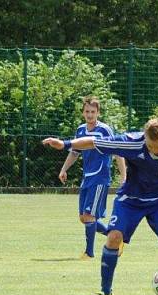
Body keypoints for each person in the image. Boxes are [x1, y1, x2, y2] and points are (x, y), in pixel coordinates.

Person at [43, 118, 158, 295]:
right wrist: (65, 144)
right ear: (144, 137)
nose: (154, 150)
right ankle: (105, 293)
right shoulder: (131, 142)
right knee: (113, 238)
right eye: (150, 146)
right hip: (130, 200)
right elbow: (93, 142)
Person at [58, 96, 126, 260]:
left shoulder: (104, 130)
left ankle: (89, 253)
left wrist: (124, 176)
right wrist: (64, 169)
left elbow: (117, 151)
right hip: (87, 178)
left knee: (90, 216)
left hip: (100, 178)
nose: (90, 115)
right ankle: (115, 236)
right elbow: (74, 152)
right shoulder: (81, 130)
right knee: (84, 218)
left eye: (93, 112)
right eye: (87, 111)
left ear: (98, 113)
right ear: (83, 112)